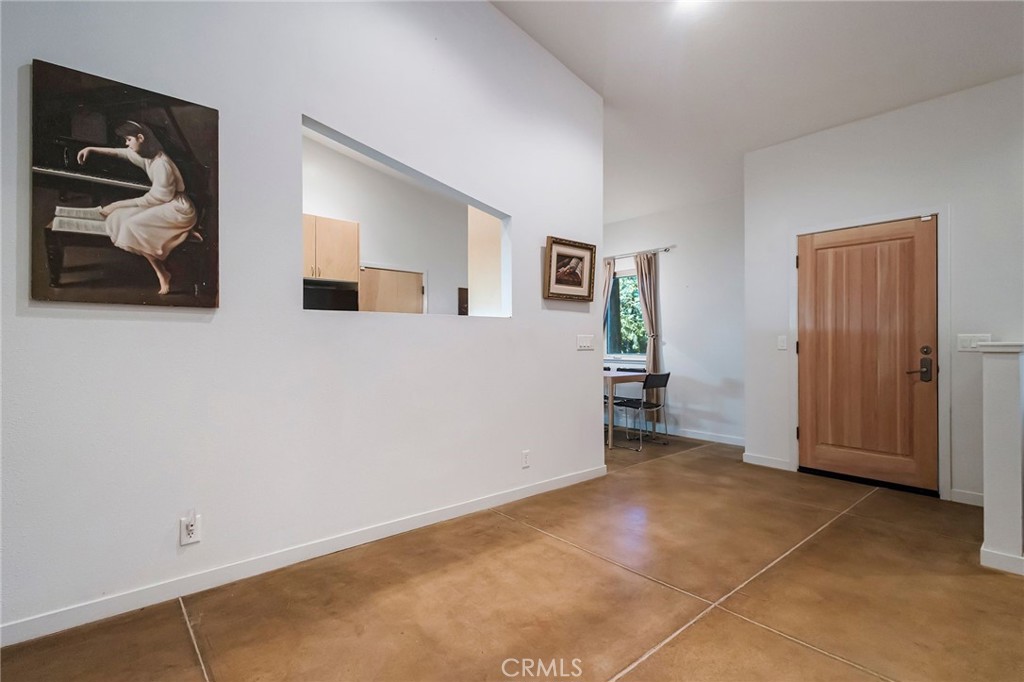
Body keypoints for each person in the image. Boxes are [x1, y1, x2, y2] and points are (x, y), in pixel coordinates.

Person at [76, 121, 197, 294]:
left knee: (132, 226)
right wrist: (91, 149)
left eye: (128, 139)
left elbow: (156, 198)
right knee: (117, 217)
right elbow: (121, 153)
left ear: (141, 138)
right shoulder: (148, 156)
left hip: (177, 209)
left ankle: (163, 273)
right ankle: (174, 245)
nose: (126, 143)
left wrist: (116, 204)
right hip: (164, 204)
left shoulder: (161, 164)